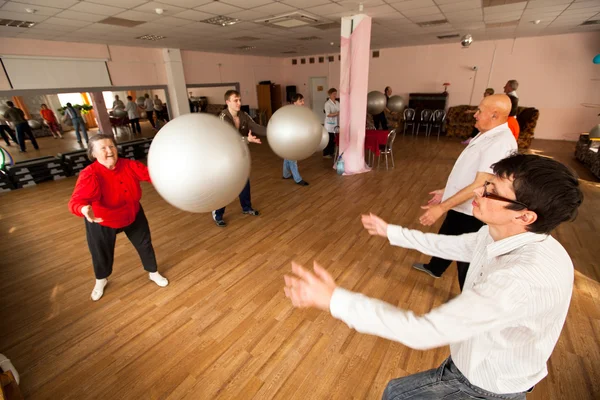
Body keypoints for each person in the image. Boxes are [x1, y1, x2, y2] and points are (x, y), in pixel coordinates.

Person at [284, 153, 583, 400]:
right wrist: (392, 232)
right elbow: (452, 245)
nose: (479, 191)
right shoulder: (500, 235)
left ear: (525, 215)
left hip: (485, 388)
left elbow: (423, 332)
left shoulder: (520, 278)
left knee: (395, 395)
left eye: (492, 191)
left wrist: (334, 300)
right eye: (487, 183)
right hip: (470, 364)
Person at [414, 94, 517, 290]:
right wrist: (446, 191)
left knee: (468, 260)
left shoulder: (499, 142)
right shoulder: (488, 133)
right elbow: (470, 172)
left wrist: (442, 206)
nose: (475, 115)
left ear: (494, 115)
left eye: (479, 111)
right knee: (447, 236)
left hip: (474, 211)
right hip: (462, 205)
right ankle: (435, 267)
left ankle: (471, 302)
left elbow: (481, 183)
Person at [68, 133, 168, 301]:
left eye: (112, 146)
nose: (109, 151)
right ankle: (101, 279)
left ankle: (153, 272)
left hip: (132, 213)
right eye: (103, 148)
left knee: (145, 244)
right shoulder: (90, 174)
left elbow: (152, 175)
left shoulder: (129, 165)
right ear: (93, 154)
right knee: (101, 252)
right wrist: (83, 209)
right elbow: (75, 201)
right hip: (102, 220)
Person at [212, 90, 263, 227]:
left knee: (243, 182)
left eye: (240, 100)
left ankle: (246, 208)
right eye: (236, 100)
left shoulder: (243, 115)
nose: (239, 103)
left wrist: (272, 130)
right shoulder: (223, 117)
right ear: (228, 102)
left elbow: (255, 126)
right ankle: (217, 214)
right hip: (224, 156)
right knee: (226, 187)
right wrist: (247, 139)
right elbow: (231, 137)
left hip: (239, 154)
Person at [282, 93, 309, 186]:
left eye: (303, 100)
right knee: (293, 158)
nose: (303, 102)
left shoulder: (299, 111)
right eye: (300, 101)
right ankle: (298, 179)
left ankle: (285, 174)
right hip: (289, 138)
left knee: (287, 156)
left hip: (294, 137)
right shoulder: (290, 112)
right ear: (294, 102)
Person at [323, 88, 339, 158]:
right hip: (329, 124)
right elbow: (328, 114)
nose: (335, 95)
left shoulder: (337, 102)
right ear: (330, 94)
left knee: (333, 139)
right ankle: (326, 154)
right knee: (329, 139)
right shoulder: (327, 103)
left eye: (336, 93)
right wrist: (336, 113)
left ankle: (332, 152)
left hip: (336, 123)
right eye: (333, 94)